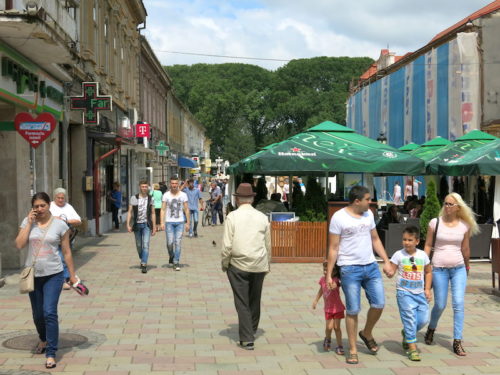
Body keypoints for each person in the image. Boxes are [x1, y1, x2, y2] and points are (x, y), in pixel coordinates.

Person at [326, 185, 394, 365]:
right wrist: (328, 276)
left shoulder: (369, 214)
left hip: (370, 266)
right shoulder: (339, 217)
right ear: (357, 201)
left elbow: (375, 239)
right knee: (353, 310)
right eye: (367, 199)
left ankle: (367, 332)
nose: (370, 202)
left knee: (379, 303)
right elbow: (333, 247)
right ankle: (353, 349)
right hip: (349, 269)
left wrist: (386, 261)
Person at [15, 192, 78, 369]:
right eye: (36, 206)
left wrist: (72, 276)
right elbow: (19, 244)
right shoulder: (28, 222)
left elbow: (66, 252)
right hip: (33, 275)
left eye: (42, 205)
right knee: (37, 315)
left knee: (49, 312)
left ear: (48, 205)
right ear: (32, 207)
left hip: (54, 275)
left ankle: (51, 352)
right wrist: (28, 223)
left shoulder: (60, 225)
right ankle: (43, 339)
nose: (39, 209)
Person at [423, 193, 479, 356]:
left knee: (458, 303)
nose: (447, 207)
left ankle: (457, 341)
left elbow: (465, 249)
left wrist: (467, 267)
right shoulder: (435, 223)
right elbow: (427, 245)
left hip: (459, 269)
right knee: (440, 304)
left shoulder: (464, 225)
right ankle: (431, 328)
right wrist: (424, 266)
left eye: (450, 204)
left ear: (458, 207)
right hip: (438, 269)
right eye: (445, 203)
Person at [221, 183, 271, 350]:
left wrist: (225, 263)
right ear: (252, 198)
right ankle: (252, 329)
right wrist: (267, 263)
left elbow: (227, 245)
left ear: (237, 199)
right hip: (259, 263)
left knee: (242, 302)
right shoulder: (262, 217)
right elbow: (268, 244)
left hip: (238, 263)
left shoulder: (232, 217)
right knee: (254, 300)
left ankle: (247, 337)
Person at [389, 226, 432, 361]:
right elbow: (391, 271)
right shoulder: (398, 255)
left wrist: (427, 289)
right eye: (404, 240)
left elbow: (428, 272)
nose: (406, 242)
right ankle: (412, 349)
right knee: (410, 320)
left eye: (410, 240)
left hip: (420, 293)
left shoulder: (422, 255)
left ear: (417, 241)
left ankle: (407, 333)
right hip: (404, 293)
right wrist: (388, 271)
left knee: (424, 319)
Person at [50, 188, 81, 290]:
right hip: (53, 238)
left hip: (67, 237)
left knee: (65, 258)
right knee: (59, 258)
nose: (60, 200)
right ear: (54, 197)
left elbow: (78, 221)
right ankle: (64, 279)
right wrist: (55, 218)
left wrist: (67, 220)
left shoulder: (68, 207)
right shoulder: (50, 206)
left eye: (62, 198)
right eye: (58, 198)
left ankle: (66, 279)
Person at [312, 261, 345, 355]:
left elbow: (338, 284)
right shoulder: (322, 280)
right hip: (328, 308)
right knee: (329, 327)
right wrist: (316, 300)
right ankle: (328, 338)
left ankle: (340, 345)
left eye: (328, 270)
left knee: (337, 327)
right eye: (324, 270)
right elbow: (321, 290)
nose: (325, 272)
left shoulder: (336, 280)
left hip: (338, 307)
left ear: (334, 271)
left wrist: (336, 285)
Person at [126, 180, 156, 273]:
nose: (144, 188)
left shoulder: (151, 198)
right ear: (139, 187)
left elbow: (153, 213)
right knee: (139, 246)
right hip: (137, 225)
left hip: (147, 225)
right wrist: (128, 224)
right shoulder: (134, 198)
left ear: (148, 187)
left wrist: (154, 227)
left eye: (146, 186)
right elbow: (130, 212)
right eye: (142, 186)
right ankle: (143, 257)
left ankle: (144, 263)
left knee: (146, 245)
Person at [161, 176, 190, 271]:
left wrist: (188, 223)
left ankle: (176, 261)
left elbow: (186, 209)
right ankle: (172, 256)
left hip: (180, 222)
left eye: (175, 183)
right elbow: (163, 209)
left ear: (178, 184)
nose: (174, 185)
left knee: (177, 242)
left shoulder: (183, 195)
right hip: (169, 222)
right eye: (172, 183)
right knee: (169, 243)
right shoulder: (166, 195)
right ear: (170, 184)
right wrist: (161, 222)